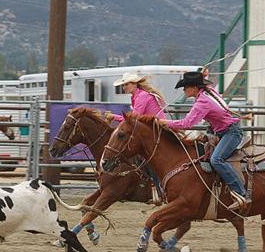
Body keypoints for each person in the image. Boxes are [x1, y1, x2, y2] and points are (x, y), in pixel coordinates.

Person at [158, 71, 250, 211]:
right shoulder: (208, 91)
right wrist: (202, 75)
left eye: (186, 86)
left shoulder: (202, 102)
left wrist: (165, 123)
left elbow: (187, 123)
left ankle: (241, 193)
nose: (184, 90)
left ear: (194, 88)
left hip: (230, 133)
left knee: (216, 160)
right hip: (222, 130)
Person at [104, 72, 167, 203]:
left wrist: (113, 117)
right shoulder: (138, 96)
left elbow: (132, 120)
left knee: (146, 158)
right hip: (152, 130)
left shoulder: (142, 97)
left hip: (157, 130)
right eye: (123, 85)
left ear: (134, 84)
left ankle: (159, 188)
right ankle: (154, 187)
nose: (124, 87)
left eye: (126, 84)